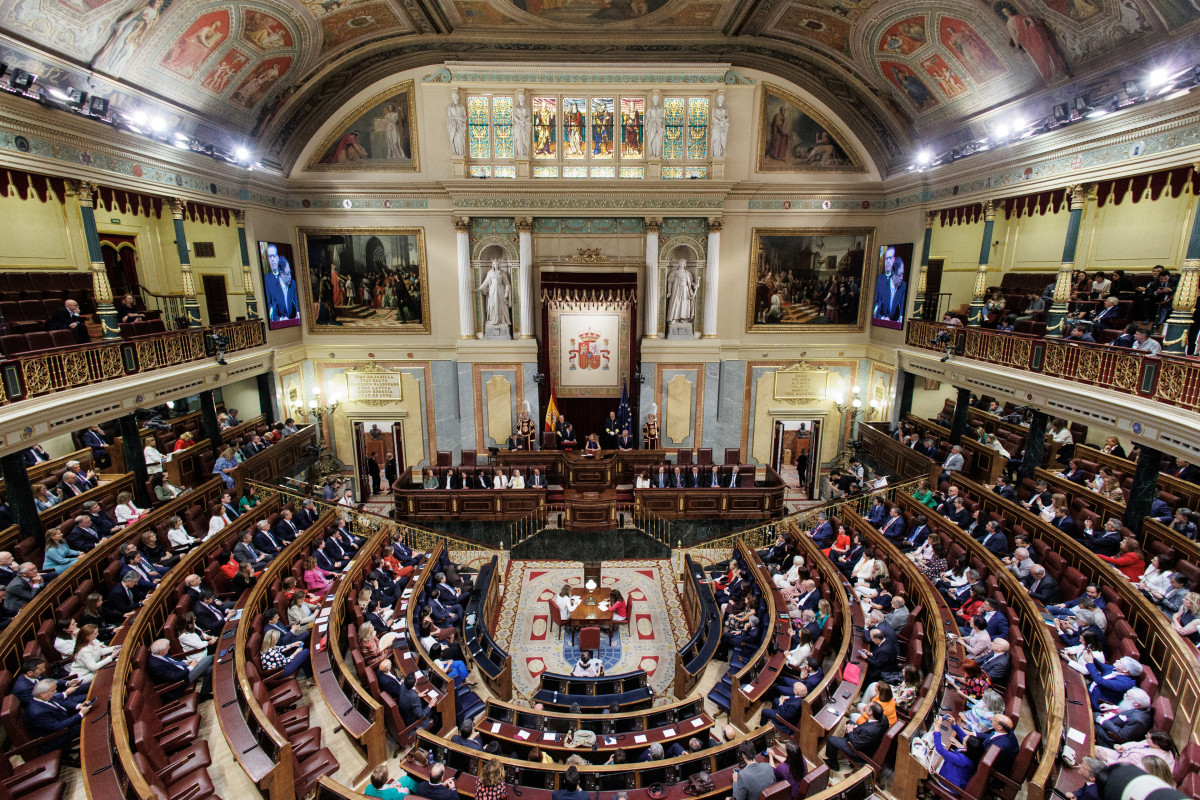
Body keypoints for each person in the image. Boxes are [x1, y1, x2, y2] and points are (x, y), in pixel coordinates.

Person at [824, 702, 888, 773]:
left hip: (859, 753)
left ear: (870, 713)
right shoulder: (884, 718)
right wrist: (856, 727)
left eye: (867, 706)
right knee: (849, 722)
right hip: (867, 741)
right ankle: (843, 744)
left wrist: (850, 731)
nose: (865, 706)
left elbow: (856, 745)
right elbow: (867, 725)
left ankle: (833, 764)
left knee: (830, 740)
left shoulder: (869, 731)